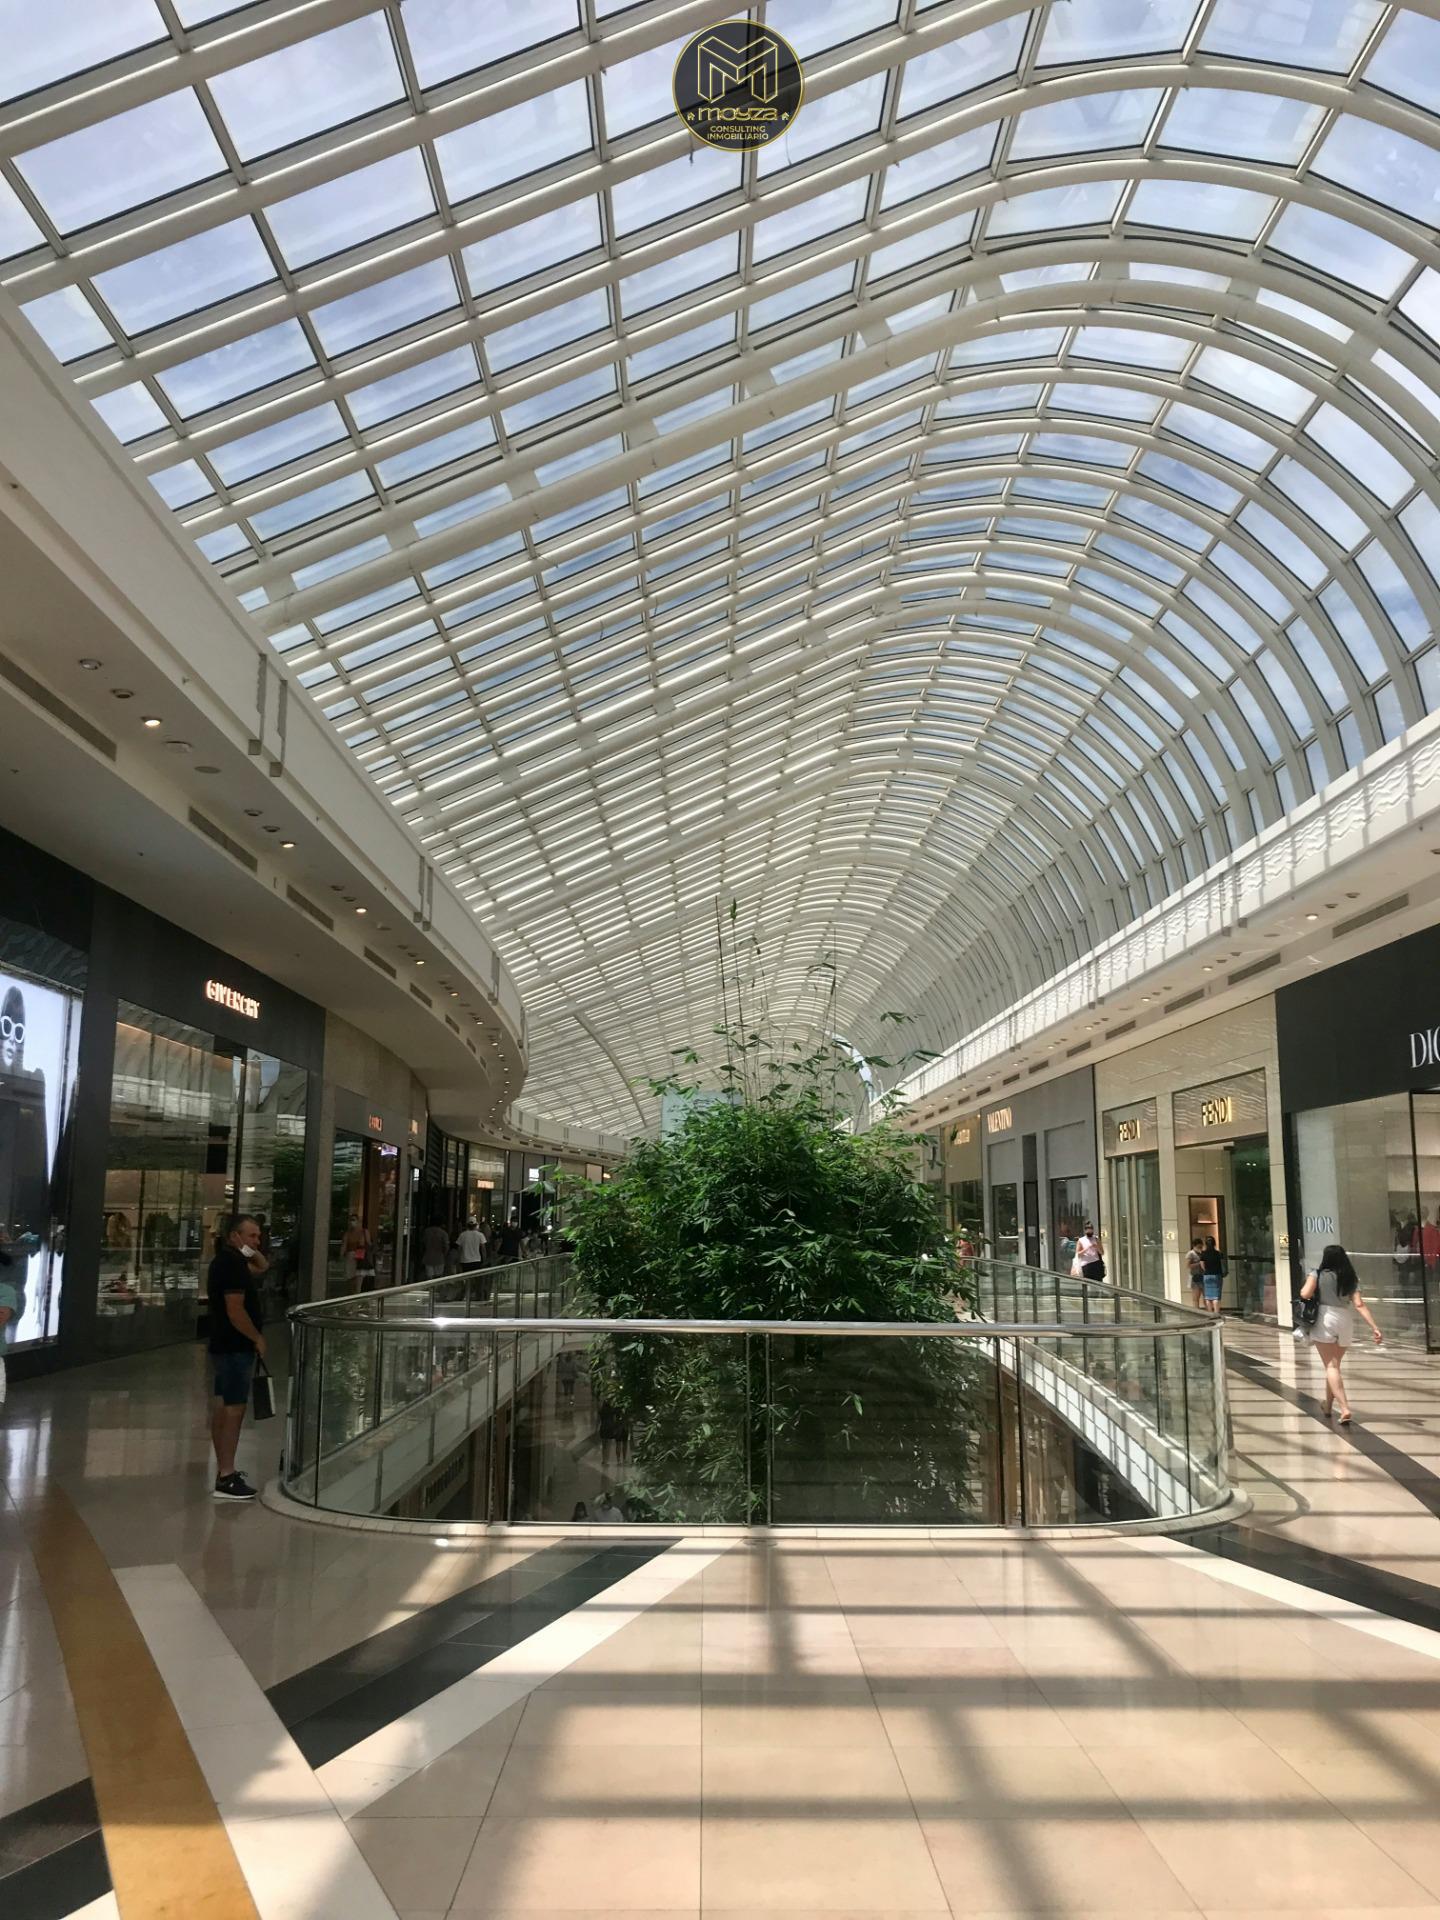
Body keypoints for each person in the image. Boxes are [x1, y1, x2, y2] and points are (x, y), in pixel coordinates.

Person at [207, 1213, 268, 1501]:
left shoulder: (232, 1260)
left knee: (223, 1406)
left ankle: (224, 1469)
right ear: (234, 1236)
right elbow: (235, 1309)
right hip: (235, 1346)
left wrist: (251, 1250)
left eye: (258, 1236)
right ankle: (226, 1475)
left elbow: (262, 1266)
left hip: (224, 1345)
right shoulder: (231, 1265)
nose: (257, 1241)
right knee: (234, 1409)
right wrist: (256, 1337)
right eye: (251, 1235)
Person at [1298, 1242, 1382, 1423]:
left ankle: (1344, 1408)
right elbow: (1359, 1304)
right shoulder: (1350, 1277)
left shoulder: (1317, 1274)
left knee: (1331, 1366)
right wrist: (1374, 1327)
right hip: (1344, 1319)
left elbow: (1304, 1293)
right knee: (1334, 1365)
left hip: (1325, 1318)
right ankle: (1328, 1405)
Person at [341, 1213, 371, 1288]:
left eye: (354, 1220)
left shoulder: (364, 1232)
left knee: (359, 1277)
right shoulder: (347, 1234)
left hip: (360, 1256)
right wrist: (341, 1255)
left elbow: (369, 1244)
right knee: (350, 1278)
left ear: (358, 1221)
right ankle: (353, 1293)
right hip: (350, 1257)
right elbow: (344, 1245)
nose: (352, 1222)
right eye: (351, 1220)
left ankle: (357, 1293)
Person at [1201, 1236, 1225, 1314]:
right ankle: (1216, 1313)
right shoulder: (1219, 1253)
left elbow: (1202, 1265)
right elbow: (1222, 1264)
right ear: (1214, 1243)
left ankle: (1210, 1314)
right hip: (1217, 1275)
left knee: (1208, 1296)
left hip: (1207, 1276)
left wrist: (1207, 1271)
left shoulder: (1203, 1253)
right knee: (1216, 1296)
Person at [1185, 1237, 1206, 1310]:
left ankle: (1208, 1311)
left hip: (1203, 1276)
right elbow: (1188, 1265)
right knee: (1196, 1297)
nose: (1200, 1248)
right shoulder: (1191, 1253)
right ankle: (1197, 1311)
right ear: (1194, 1246)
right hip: (1195, 1277)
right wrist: (1199, 1264)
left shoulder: (1203, 1253)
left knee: (1206, 1296)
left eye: (1201, 1246)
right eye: (1198, 1247)